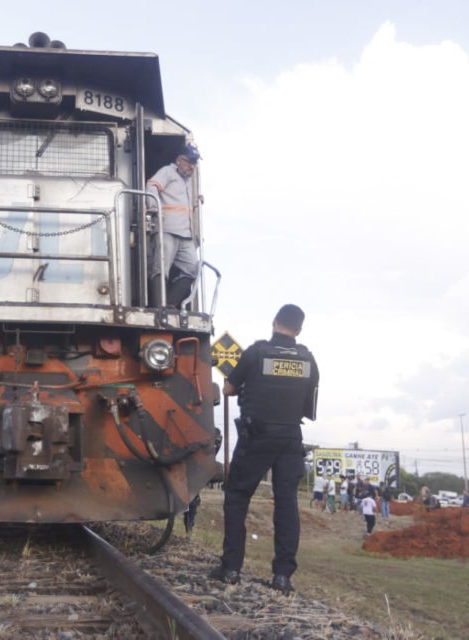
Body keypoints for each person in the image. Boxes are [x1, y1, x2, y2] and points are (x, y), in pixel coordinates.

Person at [210, 304, 320, 595]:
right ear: (298, 330)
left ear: (274, 322)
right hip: (290, 439)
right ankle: (282, 576)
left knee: (236, 496)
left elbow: (228, 390)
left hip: (256, 437)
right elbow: (309, 406)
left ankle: (231, 568)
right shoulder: (308, 360)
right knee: (286, 504)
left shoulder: (256, 353)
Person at [145, 143, 202, 308]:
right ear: (179, 160)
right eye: (189, 161)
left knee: (193, 268)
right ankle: (159, 307)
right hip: (167, 228)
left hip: (185, 234)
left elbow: (182, 204)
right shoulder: (167, 172)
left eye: (194, 163)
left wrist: (196, 201)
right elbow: (151, 186)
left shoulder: (187, 182)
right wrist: (154, 207)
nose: (192, 166)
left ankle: (170, 303)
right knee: (161, 267)